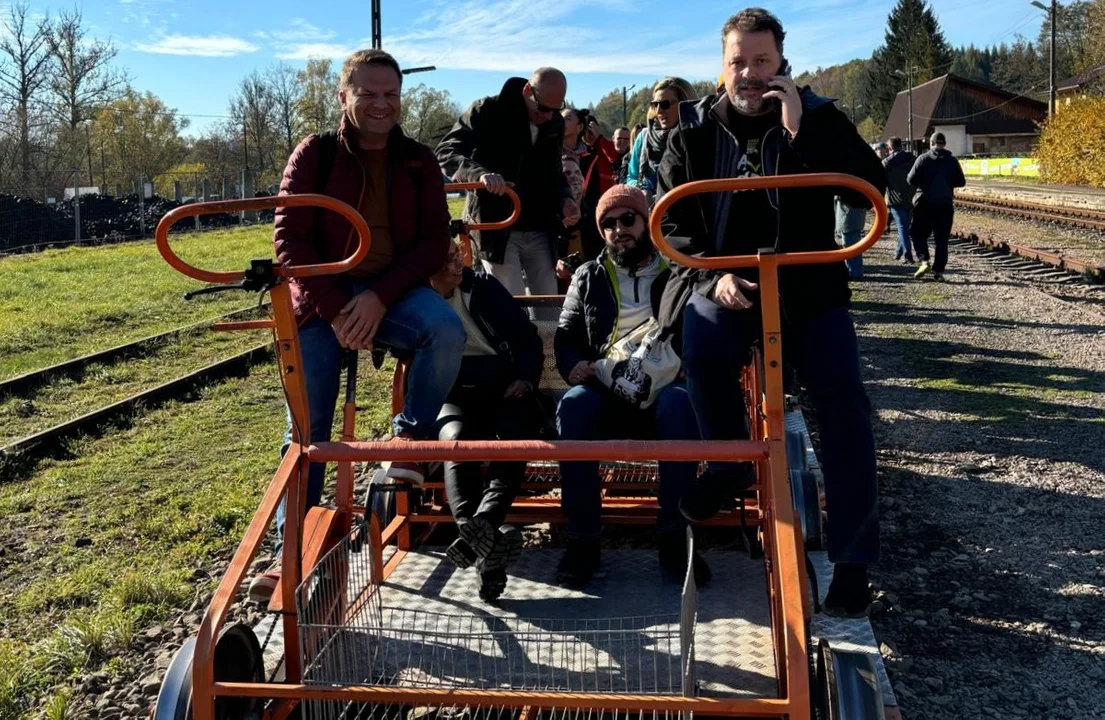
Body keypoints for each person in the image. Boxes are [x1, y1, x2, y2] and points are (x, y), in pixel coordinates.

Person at [656, 7, 886, 618]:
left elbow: (870, 183)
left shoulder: (819, 117)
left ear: (782, 62)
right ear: (722, 64)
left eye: (763, 61)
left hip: (808, 288)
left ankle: (855, 562)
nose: (751, 74)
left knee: (843, 401)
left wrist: (801, 130)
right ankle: (731, 461)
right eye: (739, 62)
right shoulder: (693, 130)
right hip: (730, 284)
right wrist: (713, 272)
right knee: (701, 344)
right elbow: (674, 223)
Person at [250, 49, 464, 603]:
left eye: (389, 94)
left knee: (445, 330)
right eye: (367, 93)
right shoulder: (315, 155)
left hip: (390, 293)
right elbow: (289, 240)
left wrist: (375, 297)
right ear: (343, 97)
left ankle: (407, 442)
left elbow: (432, 243)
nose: (379, 104)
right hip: (325, 301)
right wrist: (335, 309)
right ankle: (290, 547)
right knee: (308, 430)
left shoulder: (418, 160)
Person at [554, 185, 708, 587]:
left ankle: (675, 536)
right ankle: (583, 539)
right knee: (573, 406)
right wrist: (573, 366)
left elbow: (696, 327)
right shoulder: (588, 275)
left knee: (680, 404)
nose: (617, 230)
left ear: (647, 222)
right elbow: (567, 333)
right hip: (607, 385)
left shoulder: (676, 270)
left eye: (627, 220)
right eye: (607, 224)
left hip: (662, 383)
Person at [428, 241, 545, 602]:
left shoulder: (483, 287)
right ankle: (484, 544)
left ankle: (477, 530)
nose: (457, 262)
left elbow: (527, 339)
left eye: (457, 254)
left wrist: (525, 379)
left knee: (511, 439)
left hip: (502, 385)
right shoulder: (418, 303)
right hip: (453, 391)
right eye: (446, 258)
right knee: (457, 441)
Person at [436, 68, 581, 298]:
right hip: (497, 226)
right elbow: (446, 151)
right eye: (543, 108)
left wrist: (565, 198)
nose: (548, 116)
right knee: (510, 303)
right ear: (527, 91)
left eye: (556, 110)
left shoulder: (554, 124)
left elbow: (555, 173)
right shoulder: (487, 111)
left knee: (548, 301)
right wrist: (479, 175)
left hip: (541, 227)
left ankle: (547, 335)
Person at [557, 108, 622, 276]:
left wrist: (599, 139)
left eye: (568, 119)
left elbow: (615, 160)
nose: (562, 122)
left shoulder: (591, 154)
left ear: (580, 127)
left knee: (590, 272)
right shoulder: (550, 152)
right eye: (560, 118)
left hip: (589, 223)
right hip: (558, 223)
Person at [907, 132, 966, 281]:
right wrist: (947, 182)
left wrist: (924, 182)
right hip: (945, 205)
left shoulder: (922, 159)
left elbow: (911, 179)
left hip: (924, 204)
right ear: (944, 144)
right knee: (942, 240)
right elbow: (961, 182)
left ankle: (924, 260)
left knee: (917, 233)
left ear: (931, 143)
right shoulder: (952, 161)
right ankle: (938, 271)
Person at [627, 77, 696, 197]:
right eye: (655, 105)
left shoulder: (698, 136)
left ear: (685, 103)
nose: (659, 110)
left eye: (665, 104)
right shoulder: (644, 138)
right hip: (651, 211)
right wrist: (643, 189)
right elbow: (631, 177)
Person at [883, 136, 916, 263]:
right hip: (910, 197)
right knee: (905, 228)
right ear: (901, 145)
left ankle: (908, 256)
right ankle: (898, 251)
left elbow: (882, 180)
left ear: (890, 147)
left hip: (895, 200)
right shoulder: (912, 159)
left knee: (902, 228)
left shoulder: (886, 163)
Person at [834, 197, 867, 279]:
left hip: (848, 216)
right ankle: (853, 270)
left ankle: (854, 272)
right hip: (852, 216)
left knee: (850, 245)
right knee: (852, 243)